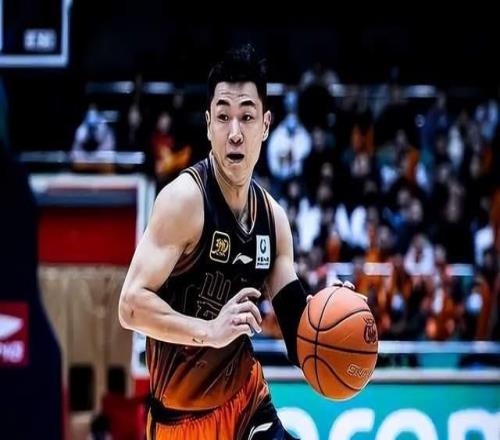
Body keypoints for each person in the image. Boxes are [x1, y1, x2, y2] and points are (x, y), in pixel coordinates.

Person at [119, 44, 353, 440]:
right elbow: (130, 306)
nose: (235, 133)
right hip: (180, 421)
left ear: (266, 124)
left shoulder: (274, 220)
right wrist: (210, 330)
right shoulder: (184, 201)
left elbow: (298, 332)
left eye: (246, 116)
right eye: (224, 116)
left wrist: (332, 320)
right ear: (208, 124)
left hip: (247, 403)